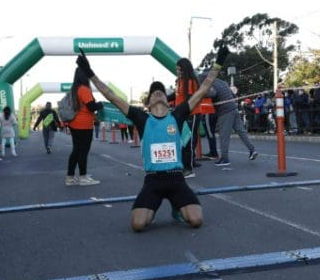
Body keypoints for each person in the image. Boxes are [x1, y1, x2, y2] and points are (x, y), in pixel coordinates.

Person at [75, 46, 229, 231]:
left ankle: (176, 208)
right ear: (148, 103)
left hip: (177, 179)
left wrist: (218, 62)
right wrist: (90, 73)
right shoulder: (142, 118)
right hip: (153, 181)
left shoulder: (178, 114)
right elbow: (110, 95)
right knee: (138, 225)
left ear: (167, 99)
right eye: (153, 92)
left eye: (161, 91)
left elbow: (204, 88)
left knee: (196, 220)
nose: (157, 92)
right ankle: (153, 207)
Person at [175, 57, 215, 177]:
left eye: (180, 69)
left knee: (189, 141)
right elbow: (176, 96)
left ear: (185, 69)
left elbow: (190, 99)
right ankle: (184, 165)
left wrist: (180, 110)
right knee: (182, 141)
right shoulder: (179, 81)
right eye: (177, 69)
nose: (178, 71)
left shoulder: (191, 81)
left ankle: (188, 169)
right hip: (181, 114)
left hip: (191, 114)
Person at [205, 76, 258, 166]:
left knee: (224, 135)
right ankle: (252, 150)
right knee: (241, 131)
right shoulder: (223, 82)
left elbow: (212, 93)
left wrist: (203, 94)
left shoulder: (211, 84)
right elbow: (233, 95)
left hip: (225, 111)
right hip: (234, 109)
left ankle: (225, 159)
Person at [65, 67, 102, 186]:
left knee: (76, 150)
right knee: (83, 151)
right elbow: (91, 106)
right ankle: (83, 177)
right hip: (84, 125)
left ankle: (70, 177)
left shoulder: (74, 89)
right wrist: (100, 105)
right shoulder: (84, 89)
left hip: (74, 123)